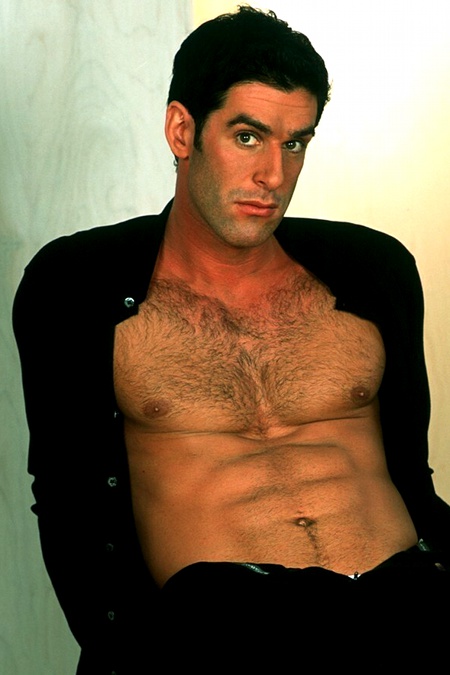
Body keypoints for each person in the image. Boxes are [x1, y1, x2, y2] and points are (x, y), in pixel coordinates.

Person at [13, 6, 450, 673]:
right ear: (182, 130)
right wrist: (128, 653)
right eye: (248, 137)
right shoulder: (76, 283)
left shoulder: (374, 269)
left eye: (296, 143)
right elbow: (67, 502)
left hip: (410, 607)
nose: (274, 175)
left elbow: (411, 470)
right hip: (223, 632)